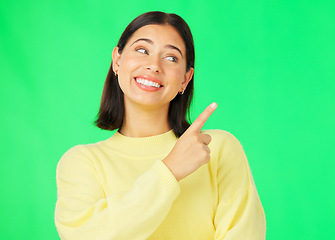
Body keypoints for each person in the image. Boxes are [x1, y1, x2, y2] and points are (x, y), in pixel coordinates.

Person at [54, 11, 266, 239]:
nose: (153, 65)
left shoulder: (216, 149)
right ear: (117, 60)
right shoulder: (82, 163)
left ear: (185, 79)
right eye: (142, 50)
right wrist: (170, 171)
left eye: (171, 58)